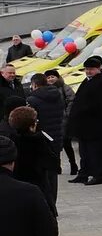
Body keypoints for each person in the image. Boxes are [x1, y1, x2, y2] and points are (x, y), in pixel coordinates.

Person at [66, 55, 102, 185]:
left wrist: (84, 110)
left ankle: (98, 175)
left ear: (99, 68)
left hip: (95, 125)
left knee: (95, 152)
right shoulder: (87, 81)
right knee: (84, 152)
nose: (88, 71)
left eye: (91, 69)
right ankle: (83, 174)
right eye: (87, 69)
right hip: (84, 126)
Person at [25, 71, 65, 214]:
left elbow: (30, 121)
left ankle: (45, 206)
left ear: (34, 84)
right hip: (56, 138)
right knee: (53, 173)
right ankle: (53, 205)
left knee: (42, 175)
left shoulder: (33, 100)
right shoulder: (57, 95)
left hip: (41, 139)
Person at [46, 71, 78, 177]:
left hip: (64, 121)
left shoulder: (64, 87)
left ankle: (73, 165)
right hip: (52, 120)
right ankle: (57, 166)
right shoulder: (45, 89)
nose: (50, 79)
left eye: (53, 77)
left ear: (58, 77)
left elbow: (72, 101)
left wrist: (67, 114)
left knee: (66, 144)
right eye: (48, 77)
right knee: (55, 145)